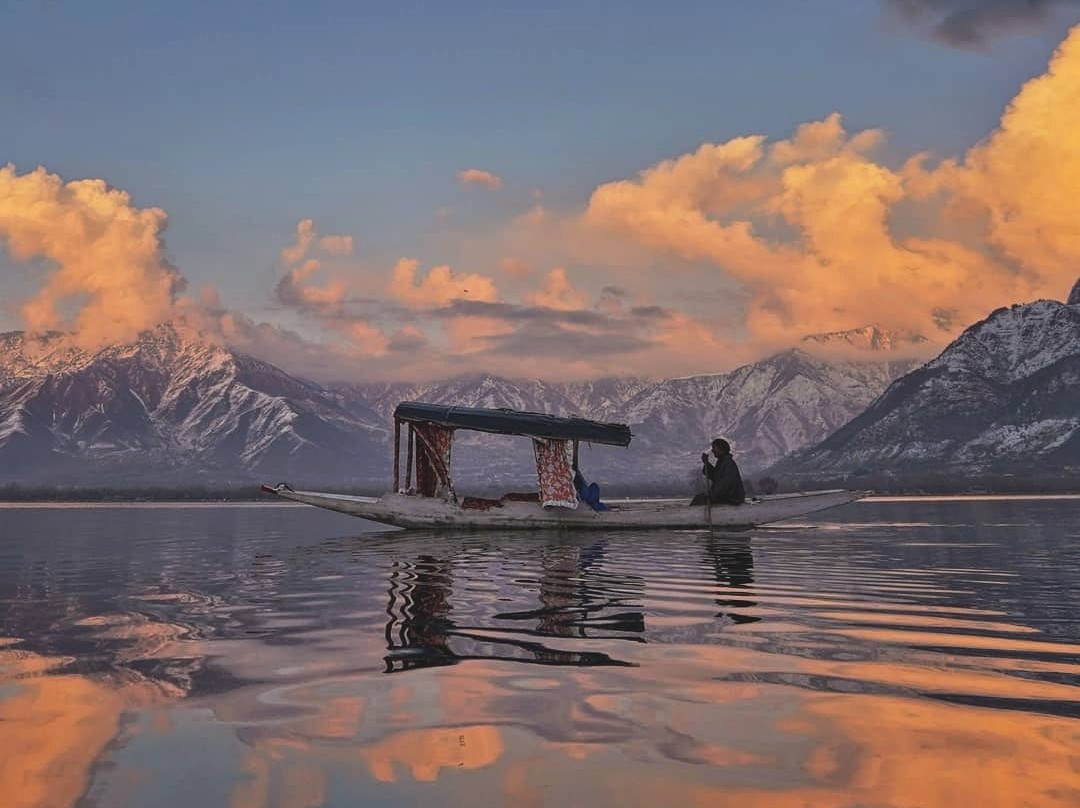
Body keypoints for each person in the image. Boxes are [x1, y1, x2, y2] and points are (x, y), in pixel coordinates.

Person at [691, 438, 746, 506]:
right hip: (726, 496)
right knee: (699, 498)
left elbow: (724, 484)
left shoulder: (728, 463)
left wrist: (711, 495)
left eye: (714, 448)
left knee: (699, 499)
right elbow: (715, 476)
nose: (712, 450)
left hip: (732, 498)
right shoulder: (722, 462)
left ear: (721, 449)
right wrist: (706, 463)